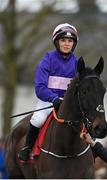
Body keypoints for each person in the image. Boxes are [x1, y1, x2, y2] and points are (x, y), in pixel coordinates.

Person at [18, 23, 79, 161]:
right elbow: (40, 87)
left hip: (68, 105)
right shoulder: (47, 60)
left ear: (73, 44)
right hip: (48, 101)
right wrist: (53, 98)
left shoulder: (77, 63)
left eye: (70, 41)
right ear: (56, 42)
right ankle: (27, 148)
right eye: (63, 40)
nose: (66, 44)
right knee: (38, 119)